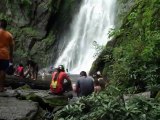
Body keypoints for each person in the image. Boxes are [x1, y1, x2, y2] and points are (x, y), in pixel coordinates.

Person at [0, 19, 14, 92]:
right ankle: (1, 88)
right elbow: (11, 48)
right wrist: (11, 59)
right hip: (5, 55)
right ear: (6, 26)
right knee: (2, 71)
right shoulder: (9, 35)